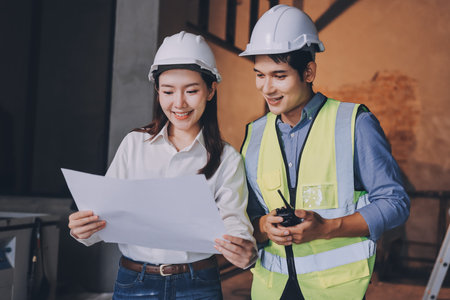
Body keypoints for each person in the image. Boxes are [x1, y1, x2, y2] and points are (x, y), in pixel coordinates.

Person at [68, 31, 257, 300]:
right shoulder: (134, 144)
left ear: (211, 90)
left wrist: (243, 248)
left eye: (191, 91)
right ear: (157, 91)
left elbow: (234, 223)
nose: (178, 103)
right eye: (168, 91)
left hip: (198, 284)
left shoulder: (227, 159)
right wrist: (82, 229)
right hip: (135, 281)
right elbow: (103, 214)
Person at [239, 5, 410, 300]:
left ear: (309, 71)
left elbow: (395, 203)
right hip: (270, 290)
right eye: (259, 75)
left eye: (279, 76)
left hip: (335, 291)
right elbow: (250, 215)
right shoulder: (254, 134)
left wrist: (328, 228)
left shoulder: (355, 123)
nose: (267, 88)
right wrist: (264, 226)